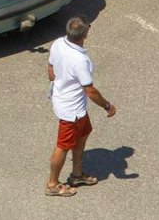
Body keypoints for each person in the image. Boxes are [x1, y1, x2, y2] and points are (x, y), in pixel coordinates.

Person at [46, 16, 117, 198]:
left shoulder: (58, 43)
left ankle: (77, 174)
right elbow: (90, 91)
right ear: (85, 34)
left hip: (75, 108)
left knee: (83, 134)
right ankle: (52, 184)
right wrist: (107, 106)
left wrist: (61, 85)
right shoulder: (80, 61)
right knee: (62, 146)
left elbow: (51, 70)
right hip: (71, 111)